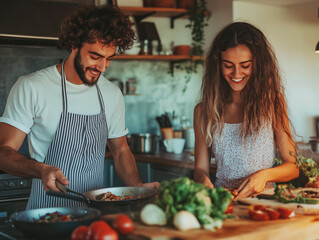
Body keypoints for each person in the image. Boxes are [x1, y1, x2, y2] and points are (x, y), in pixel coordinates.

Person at [0, 4, 159, 209]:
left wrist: (138, 186)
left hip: (95, 218)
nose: (102, 67)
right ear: (74, 45)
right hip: (46, 215)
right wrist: (41, 170)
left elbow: (120, 150)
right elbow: (3, 152)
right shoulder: (32, 86)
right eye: (95, 56)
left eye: (109, 58)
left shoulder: (111, 93)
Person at [193, 22, 299, 199]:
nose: (236, 74)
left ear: (258, 65)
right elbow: (200, 169)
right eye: (228, 65)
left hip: (265, 202)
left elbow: (293, 166)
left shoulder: (272, 102)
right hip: (223, 202)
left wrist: (264, 175)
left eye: (245, 65)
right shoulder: (203, 111)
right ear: (217, 65)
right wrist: (203, 180)